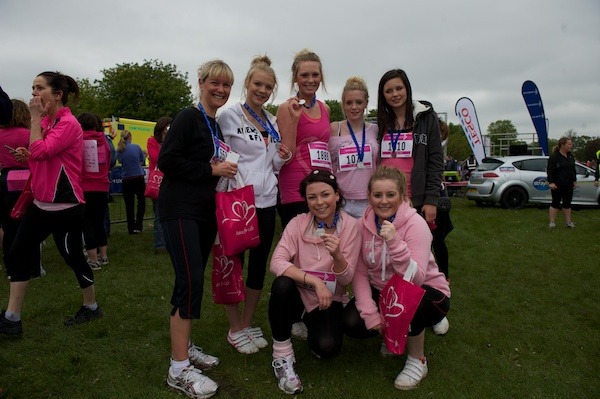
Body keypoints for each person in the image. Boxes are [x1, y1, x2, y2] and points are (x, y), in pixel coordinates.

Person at [0, 71, 103, 337]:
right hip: (41, 204)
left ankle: (91, 306)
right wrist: (26, 156)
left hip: (66, 207)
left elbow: (43, 150)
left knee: (73, 258)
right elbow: (40, 156)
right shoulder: (47, 121)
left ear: (57, 95)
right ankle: (12, 318)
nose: (34, 93)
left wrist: (33, 123)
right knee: (17, 253)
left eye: (39, 88)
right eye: (32, 87)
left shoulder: (68, 124)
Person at [158, 59, 236, 399]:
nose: (220, 89)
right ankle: (178, 370)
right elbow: (167, 161)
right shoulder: (189, 116)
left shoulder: (214, 125)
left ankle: (184, 346)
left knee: (189, 279)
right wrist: (212, 170)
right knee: (191, 281)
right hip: (180, 210)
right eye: (214, 83)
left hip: (204, 212)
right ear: (201, 82)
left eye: (226, 85)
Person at [343, 166, 450, 390]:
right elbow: (361, 273)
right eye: (377, 195)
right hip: (384, 290)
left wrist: (394, 243)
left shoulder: (416, 224)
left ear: (402, 196)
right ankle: (391, 333)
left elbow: (416, 279)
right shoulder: (362, 225)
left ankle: (417, 360)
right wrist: (371, 314)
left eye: (390, 195)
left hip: (426, 292)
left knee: (411, 306)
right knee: (352, 322)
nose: (383, 201)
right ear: (369, 196)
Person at [217, 55, 292, 354]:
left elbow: (271, 165)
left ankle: (246, 323)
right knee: (232, 263)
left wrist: (282, 155)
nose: (262, 90)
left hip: (265, 201)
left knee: (258, 266)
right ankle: (234, 327)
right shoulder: (228, 116)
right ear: (247, 84)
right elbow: (219, 153)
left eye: (268, 87)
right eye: (257, 84)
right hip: (238, 202)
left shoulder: (272, 121)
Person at [268, 169, 360, 394]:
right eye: (312, 197)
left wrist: (338, 256)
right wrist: (315, 282)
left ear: (337, 195)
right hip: (299, 293)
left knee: (327, 348)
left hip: (329, 299)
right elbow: (276, 262)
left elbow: (346, 279)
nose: (319, 202)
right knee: (282, 284)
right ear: (306, 200)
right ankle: (281, 354)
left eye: (325, 194)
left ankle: (306, 321)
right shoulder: (298, 223)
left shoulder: (351, 227)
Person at [376, 69, 447, 334]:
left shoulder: (426, 118)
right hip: (388, 200)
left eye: (398, 89)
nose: (394, 94)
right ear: (383, 96)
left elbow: (435, 159)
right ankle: (398, 303)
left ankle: (433, 306)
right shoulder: (381, 123)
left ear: (407, 89)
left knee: (424, 255)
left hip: (415, 199)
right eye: (388, 90)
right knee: (395, 253)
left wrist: (431, 199)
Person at [276, 49, 331, 228]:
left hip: (321, 189)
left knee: (321, 245)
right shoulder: (286, 108)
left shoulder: (326, 109)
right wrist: (294, 119)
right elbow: (286, 154)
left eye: (315, 75)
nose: (310, 80)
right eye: (304, 75)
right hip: (295, 189)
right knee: (298, 248)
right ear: (295, 78)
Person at [0, 100, 42, 280]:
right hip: (28, 179)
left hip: (5, 180)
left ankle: (12, 268)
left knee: (9, 228)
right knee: (30, 227)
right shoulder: (29, 134)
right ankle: (33, 268)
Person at [329, 76, 379, 218]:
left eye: (359, 102)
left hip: (370, 199)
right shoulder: (333, 128)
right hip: (341, 200)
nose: (354, 107)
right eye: (349, 102)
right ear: (343, 104)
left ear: (366, 104)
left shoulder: (376, 130)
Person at [78, 112, 111, 270]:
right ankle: (103, 256)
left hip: (84, 187)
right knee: (99, 222)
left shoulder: (78, 140)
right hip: (102, 187)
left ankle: (93, 260)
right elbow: (111, 159)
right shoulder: (104, 141)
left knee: (87, 224)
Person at [432, 120, 453, 283]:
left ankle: (444, 274)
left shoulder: (436, 149)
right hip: (436, 193)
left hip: (436, 196)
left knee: (437, 239)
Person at [147, 116, 171, 252]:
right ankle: (160, 244)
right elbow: (157, 158)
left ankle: (168, 240)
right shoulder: (152, 141)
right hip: (158, 181)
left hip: (169, 179)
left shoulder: (171, 140)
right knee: (159, 213)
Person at [116, 130, 146, 234]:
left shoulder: (119, 150)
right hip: (138, 176)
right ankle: (138, 225)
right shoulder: (136, 147)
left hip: (126, 178)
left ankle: (130, 227)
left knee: (129, 204)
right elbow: (142, 161)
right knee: (141, 202)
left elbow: (120, 161)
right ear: (130, 137)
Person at [546, 137, 577, 228]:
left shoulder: (571, 156)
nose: (571, 146)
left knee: (567, 203)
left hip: (568, 183)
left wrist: (574, 180)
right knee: (555, 203)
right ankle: (552, 222)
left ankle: (568, 222)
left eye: (571, 144)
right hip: (557, 184)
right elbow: (550, 171)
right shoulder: (554, 157)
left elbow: (573, 169)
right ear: (562, 145)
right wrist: (551, 182)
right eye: (569, 144)